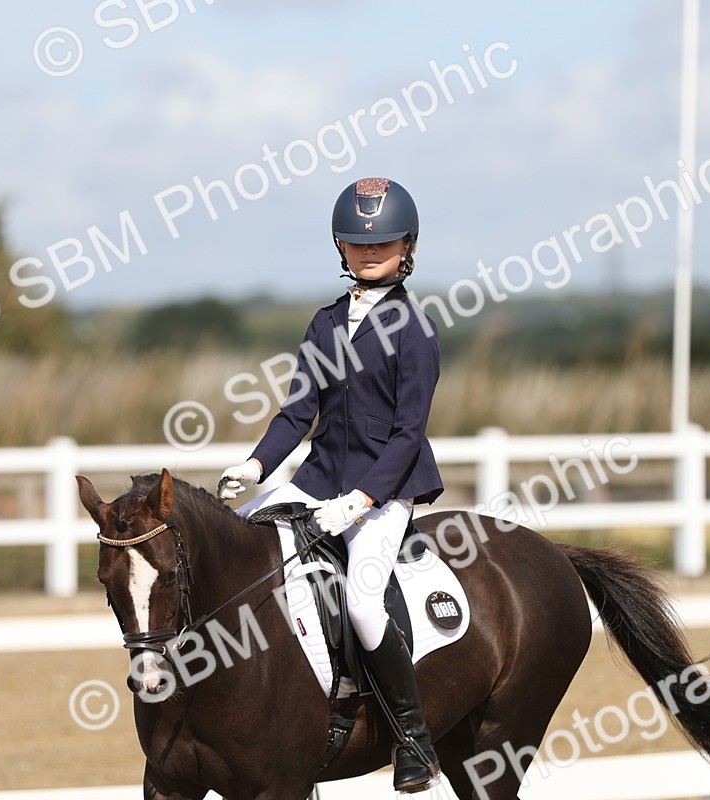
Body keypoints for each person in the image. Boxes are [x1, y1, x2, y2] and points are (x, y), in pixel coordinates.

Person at [219, 177, 443, 793]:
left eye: (385, 243)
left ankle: (413, 739)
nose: (370, 253)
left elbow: (407, 433)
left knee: (363, 602)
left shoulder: (415, 330)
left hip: (384, 490)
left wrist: (363, 500)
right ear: (340, 248)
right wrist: (257, 468)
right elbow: (298, 413)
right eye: (357, 242)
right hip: (316, 481)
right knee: (247, 553)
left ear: (407, 247)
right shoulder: (325, 324)